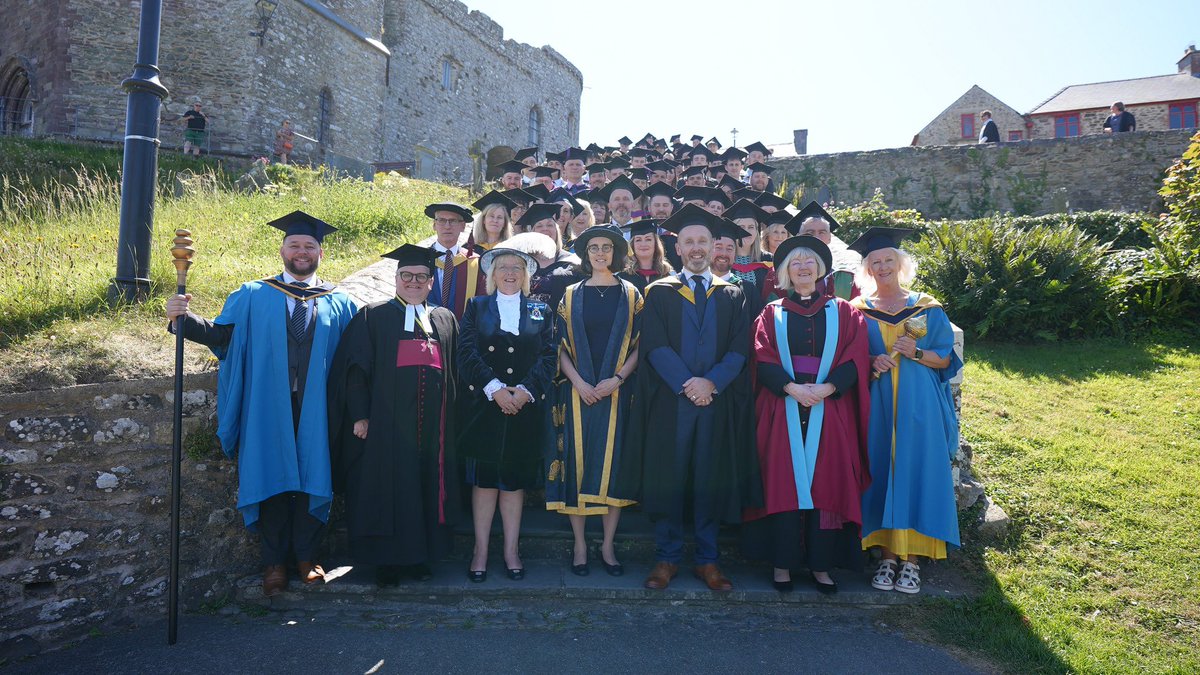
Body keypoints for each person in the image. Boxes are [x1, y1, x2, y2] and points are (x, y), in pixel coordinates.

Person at [165, 211, 357, 596]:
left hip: (318, 409)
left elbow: (355, 360)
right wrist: (182, 319)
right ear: (282, 249)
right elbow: (222, 337)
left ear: (321, 251)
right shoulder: (253, 294)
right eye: (294, 245)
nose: (301, 252)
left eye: (309, 246)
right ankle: (273, 563)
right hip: (268, 406)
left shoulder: (340, 302)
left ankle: (306, 557)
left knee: (313, 477)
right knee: (270, 477)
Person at [634, 204, 759, 592]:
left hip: (714, 403)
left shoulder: (733, 294)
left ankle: (708, 560)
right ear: (677, 248)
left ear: (714, 245)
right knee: (670, 477)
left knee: (709, 477)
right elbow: (654, 346)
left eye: (703, 240)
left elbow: (741, 349)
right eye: (688, 241)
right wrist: (689, 383)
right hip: (672, 402)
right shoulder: (658, 293)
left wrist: (711, 384)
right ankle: (667, 557)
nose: (696, 247)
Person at [741, 235, 871, 594]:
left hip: (830, 408)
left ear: (821, 269)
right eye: (795, 263)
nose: (802, 267)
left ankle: (821, 566)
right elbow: (761, 355)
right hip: (781, 405)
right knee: (783, 482)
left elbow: (855, 356)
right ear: (785, 272)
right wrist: (792, 388)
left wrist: (827, 388)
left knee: (826, 483)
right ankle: (782, 564)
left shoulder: (844, 311)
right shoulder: (772, 312)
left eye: (809, 261)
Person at [327, 244, 460, 587]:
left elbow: (454, 372)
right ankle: (385, 562)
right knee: (385, 489)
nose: (413, 281)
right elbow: (356, 370)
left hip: (432, 429)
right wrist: (360, 416)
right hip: (384, 426)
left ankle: (418, 558)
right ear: (396, 278)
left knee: (423, 488)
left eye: (421, 276)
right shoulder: (373, 316)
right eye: (407, 275)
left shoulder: (443, 318)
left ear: (432, 281)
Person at [848, 227, 962, 595]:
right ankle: (886, 555)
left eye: (888, 261)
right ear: (867, 269)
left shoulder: (927, 308)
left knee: (916, 469)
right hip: (878, 402)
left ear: (900, 265)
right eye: (875, 262)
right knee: (880, 466)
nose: (882, 267)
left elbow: (944, 357)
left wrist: (914, 352)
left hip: (919, 403)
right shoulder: (858, 311)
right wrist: (870, 360)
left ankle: (912, 560)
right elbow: (848, 357)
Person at [457, 245, 557, 582]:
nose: (510, 273)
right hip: (484, 408)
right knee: (485, 483)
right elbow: (466, 351)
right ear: (491, 274)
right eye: (503, 268)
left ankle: (511, 550)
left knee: (513, 484)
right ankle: (480, 550)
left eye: (517, 268)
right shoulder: (476, 306)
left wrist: (524, 390)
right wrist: (495, 388)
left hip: (523, 408)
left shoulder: (541, 309)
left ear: (527, 275)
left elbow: (548, 355)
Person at [547, 225, 642, 577]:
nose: (600, 253)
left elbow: (640, 346)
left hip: (617, 394)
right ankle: (580, 545)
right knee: (576, 464)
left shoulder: (632, 294)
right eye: (593, 248)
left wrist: (616, 380)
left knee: (611, 468)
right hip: (576, 393)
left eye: (606, 248)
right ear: (585, 254)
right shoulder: (570, 295)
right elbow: (557, 346)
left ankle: (607, 544)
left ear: (616, 253)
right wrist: (580, 383)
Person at [513, 203, 581, 310]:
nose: (545, 229)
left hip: (561, 323)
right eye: (539, 226)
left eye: (550, 225)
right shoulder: (521, 262)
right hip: (525, 323)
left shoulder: (572, 262)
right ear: (532, 233)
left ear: (556, 230)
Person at [426, 202, 484, 320]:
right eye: (441, 220)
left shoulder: (475, 263)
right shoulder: (420, 259)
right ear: (434, 225)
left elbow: (482, 305)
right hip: (425, 332)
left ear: (462, 226)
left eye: (453, 221)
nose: (447, 226)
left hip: (463, 333)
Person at [619, 220, 674, 294]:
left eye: (648, 239)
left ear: (655, 243)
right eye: (638, 240)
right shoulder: (622, 278)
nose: (643, 244)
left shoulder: (669, 275)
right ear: (632, 245)